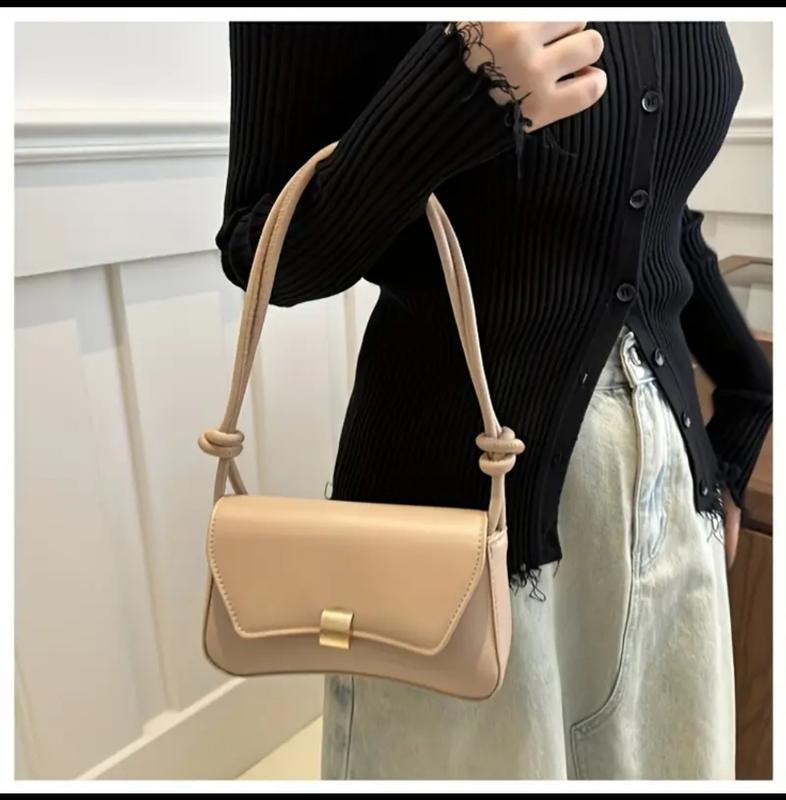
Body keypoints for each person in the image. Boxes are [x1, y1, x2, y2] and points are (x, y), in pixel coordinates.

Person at [214, 20, 772, 780]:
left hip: (674, 495)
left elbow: (659, 215)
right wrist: (461, 83)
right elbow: (267, 251)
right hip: (454, 527)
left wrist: (746, 402)